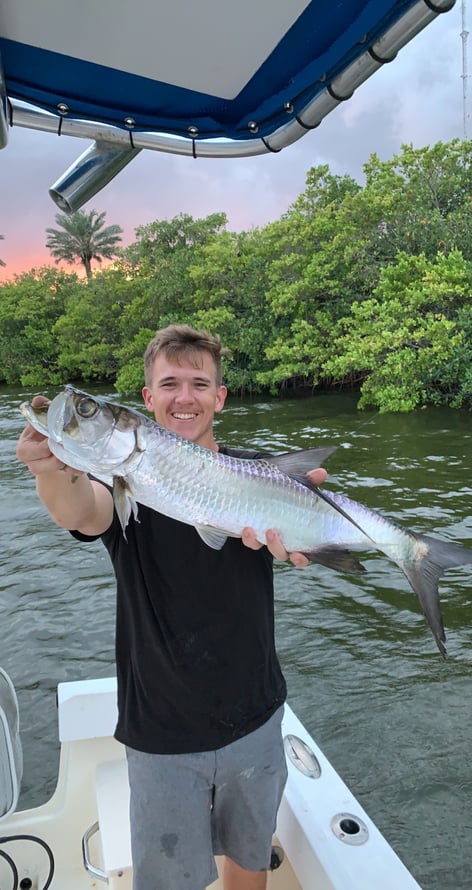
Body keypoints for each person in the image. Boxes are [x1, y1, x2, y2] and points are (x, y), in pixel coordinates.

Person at [16, 324, 327, 890]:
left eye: (199, 384)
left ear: (219, 397)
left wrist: (314, 533)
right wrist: (49, 467)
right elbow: (76, 511)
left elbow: (303, 516)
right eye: (170, 384)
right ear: (147, 399)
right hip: (161, 728)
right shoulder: (120, 485)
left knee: (251, 858)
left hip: (257, 712)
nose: (185, 397)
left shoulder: (255, 470)